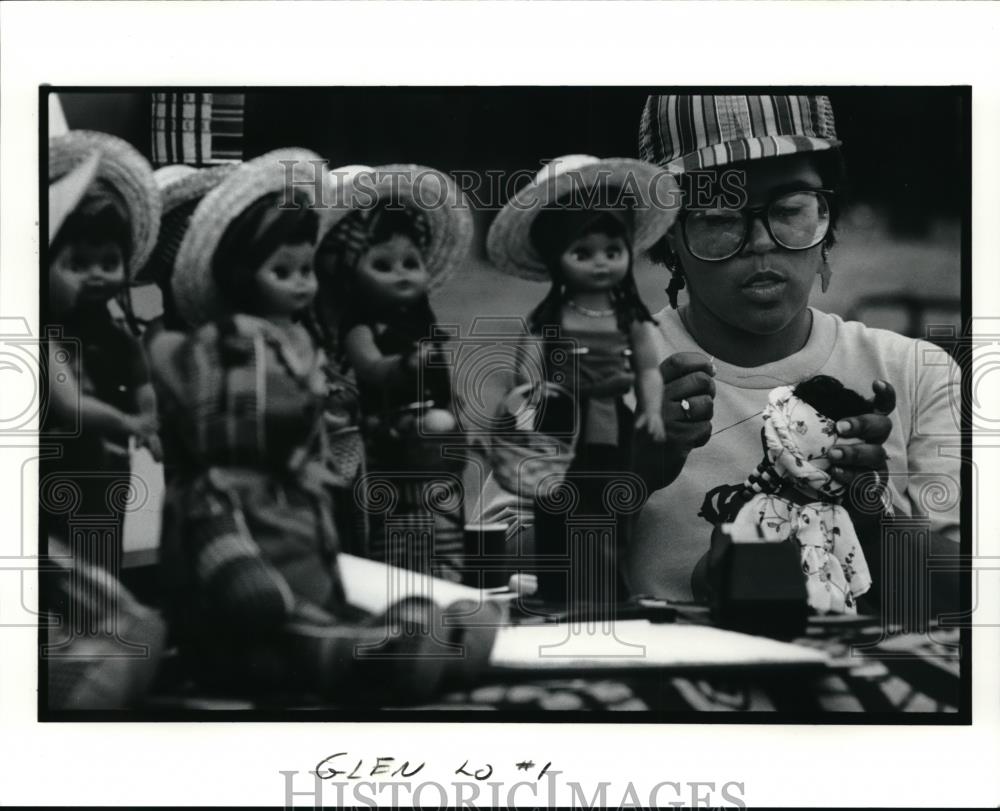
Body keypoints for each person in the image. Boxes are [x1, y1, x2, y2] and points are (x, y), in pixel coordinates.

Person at [627, 93, 961, 605]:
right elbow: (496, 565)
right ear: (668, 234)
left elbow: (971, 591)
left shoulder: (917, 373)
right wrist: (622, 476)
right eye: (719, 215)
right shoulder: (607, 374)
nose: (761, 241)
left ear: (827, 221)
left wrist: (871, 521)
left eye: (789, 210)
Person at [151, 150, 445, 701]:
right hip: (247, 536)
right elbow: (228, 447)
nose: (300, 284)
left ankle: (406, 634)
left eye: (305, 269)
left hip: (295, 505)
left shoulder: (302, 340)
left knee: (328, 590)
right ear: (242, 275)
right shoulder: (231, 342)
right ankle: (356, 652)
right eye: (281, 271)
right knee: (275, 626)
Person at [484, 154, 676, 604]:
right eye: (582, 253)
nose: (599, 264)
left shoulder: (629, 316)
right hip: (557, 421)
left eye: (612, 252)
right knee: (554, 501)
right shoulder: (551, 318)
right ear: (557, 257)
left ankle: (609, 586)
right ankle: (557, 585)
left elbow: (648, 367)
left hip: (611, 419)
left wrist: (651, 409)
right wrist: (525, 410)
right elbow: (526, 371)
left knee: (611, 500)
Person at [314, 164, 474, 582]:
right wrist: (402, 366)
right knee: (388, 530)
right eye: (382, 265)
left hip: (428, 447)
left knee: (439, 518)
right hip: (379, 442)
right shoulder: (357, 328)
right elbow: (368, 365)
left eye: (410, 262)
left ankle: (443, 578)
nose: (402, 273)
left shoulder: (418, 323)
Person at [44, 130, 163, 570]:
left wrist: (147, 413)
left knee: (101, 546)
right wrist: (131, 420)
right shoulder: (43, 335)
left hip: (104, 463)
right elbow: (70, 404)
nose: (97, 276)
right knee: (62, 558)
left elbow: (139, 373)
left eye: (109, 263)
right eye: (77, 265)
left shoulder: (110, 330)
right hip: (57, 465)